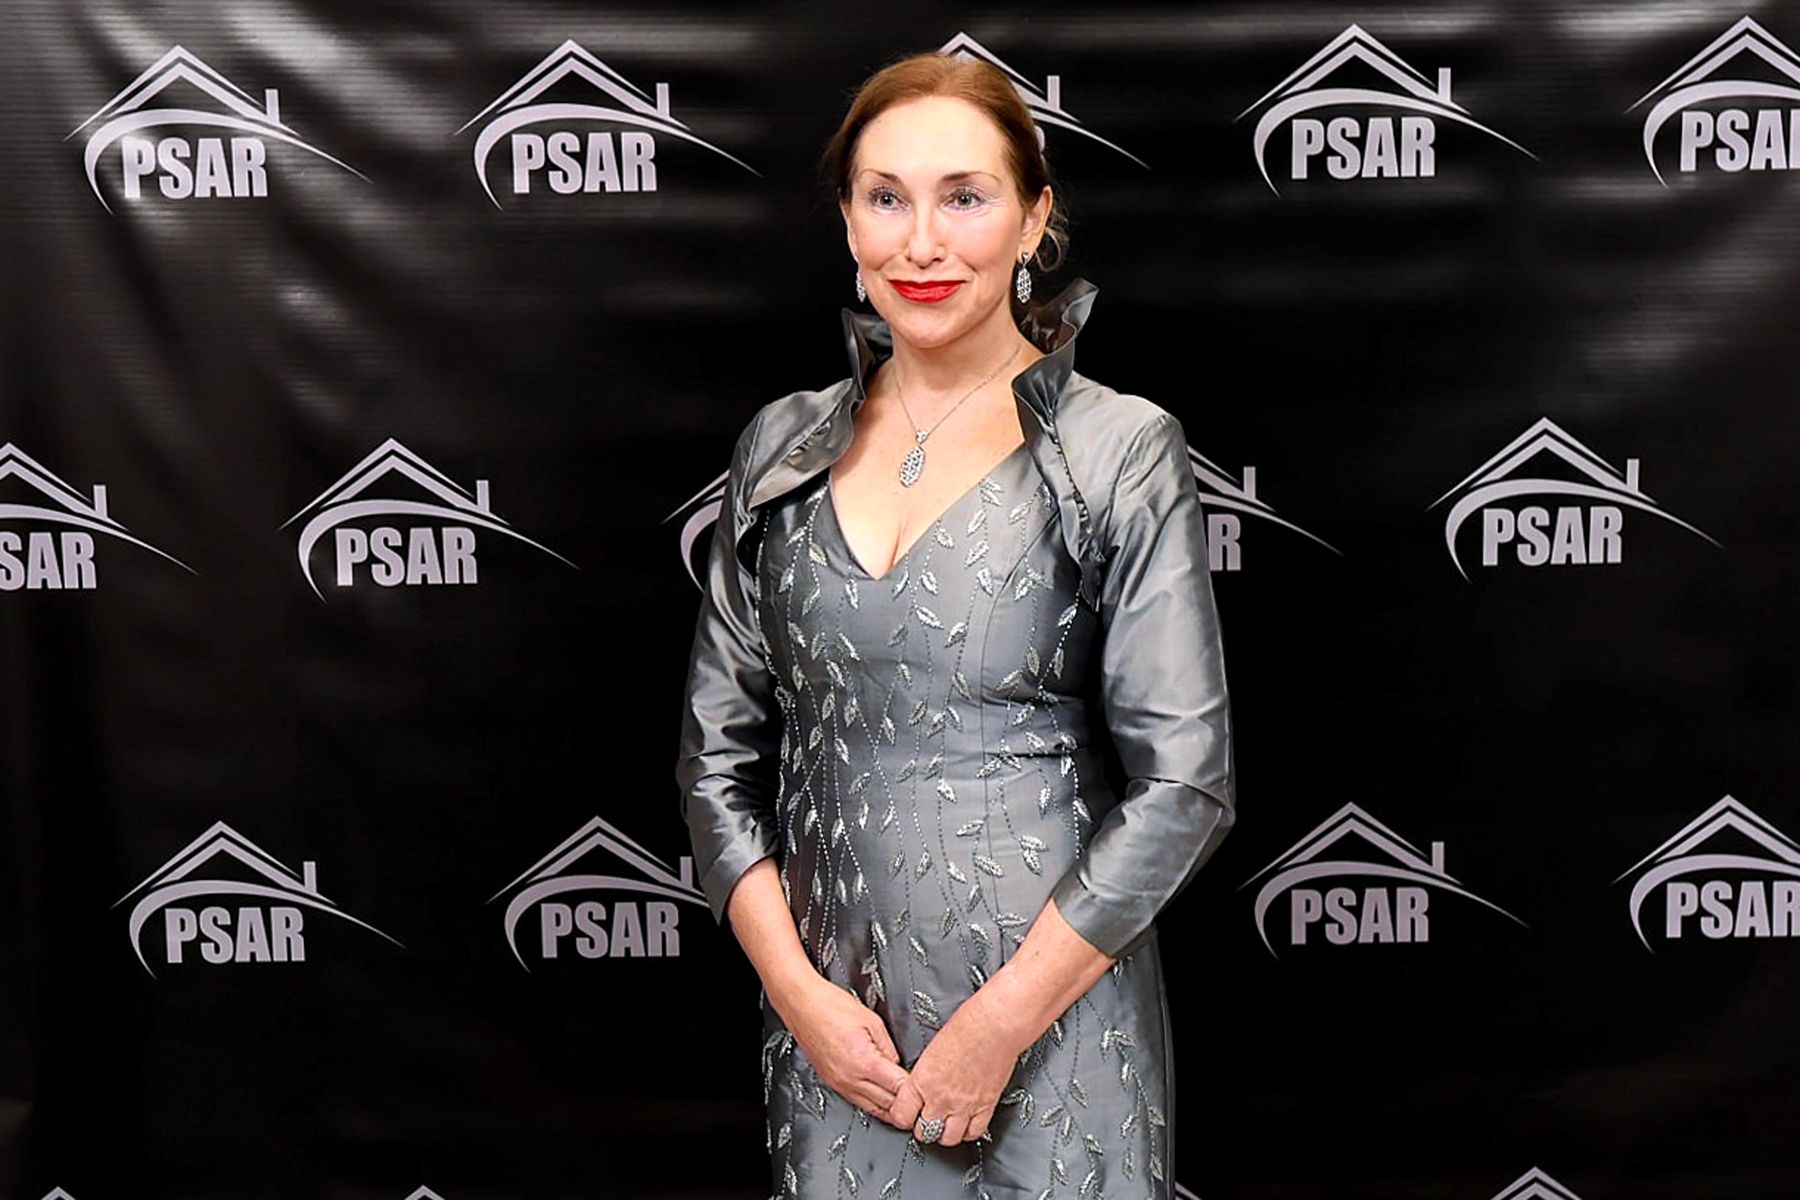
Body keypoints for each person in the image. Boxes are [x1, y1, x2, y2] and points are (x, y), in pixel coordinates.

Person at [676, 50, 1233, 1200]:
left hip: (1057, 1040)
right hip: (839, 1054)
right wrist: (799, 998)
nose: (922, 243)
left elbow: (1186, 784)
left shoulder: (1119, 450)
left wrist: (998, 1027)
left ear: (1033, 219)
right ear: (848, 223)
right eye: (887, 198)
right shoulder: (780, 447)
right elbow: (713, 763)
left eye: (965, 198)